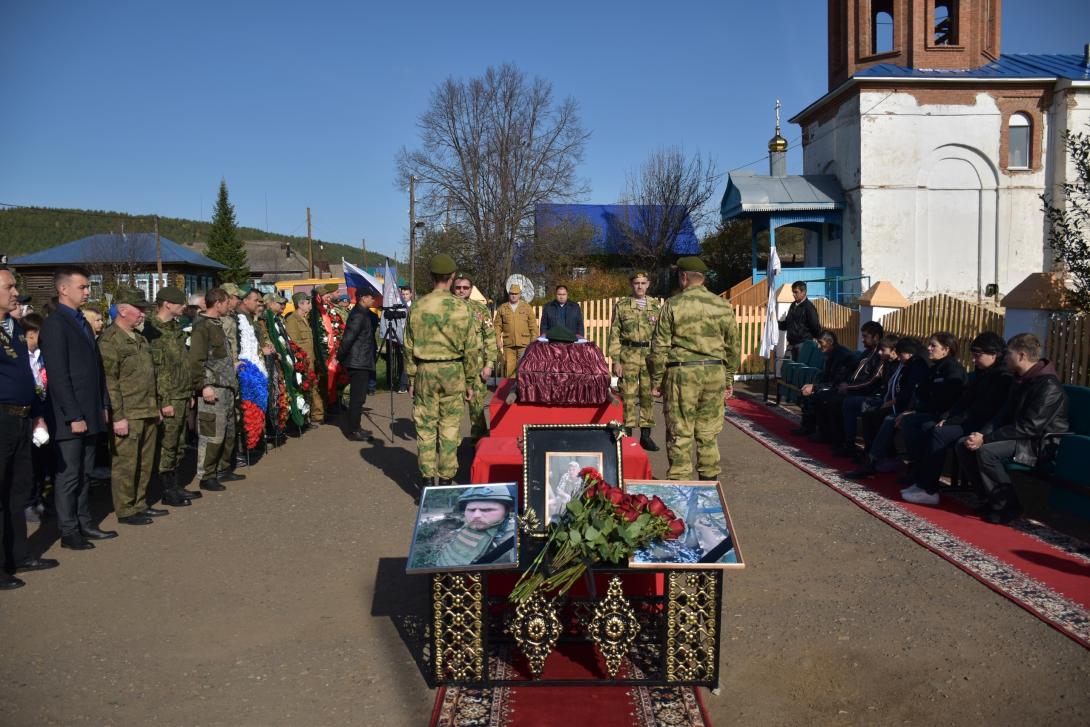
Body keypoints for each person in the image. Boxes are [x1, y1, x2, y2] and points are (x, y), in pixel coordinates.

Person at [39, 267, 116, 550]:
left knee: (86, 473)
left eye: (87, 287)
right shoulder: (56, 323)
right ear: (63, 289)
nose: (87, 292)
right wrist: (74, 415)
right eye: (82, 287)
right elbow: (58, 376)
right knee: (69, 476)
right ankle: (68, 530)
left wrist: (104, 404)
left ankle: (85, 522)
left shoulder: (81, 321)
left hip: (91, 411)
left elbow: (96, 370)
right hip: (70, 417)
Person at [957, 333, 1069, 524]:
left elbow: (1030, 427)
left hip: (1040, 442)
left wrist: (986, 440)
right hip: (1020, 435)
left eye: (1008, 354)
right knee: (964, 444)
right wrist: (981, 433)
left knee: (986, 452)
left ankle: (1009, 507)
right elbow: (1004, 414)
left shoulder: (1048, 385)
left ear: (1022, 356)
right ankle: (988, 498)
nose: (1005, 357)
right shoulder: (1021, 379)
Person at [650, 256, 739, 481]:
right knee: (708, 433)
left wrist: (657, 380)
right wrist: (728, 379)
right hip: (714, 372)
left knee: (680, 431)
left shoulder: (673, 304)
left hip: (683, 374)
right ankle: (709, 485)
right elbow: (733, 347)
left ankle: (680, 486)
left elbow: (659, 346)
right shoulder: (722, 305)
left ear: (684, 277)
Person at [901, 332, 1014, 506]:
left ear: (994, 355)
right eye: (973, 356)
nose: (974, 360)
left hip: (985, 425)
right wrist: (948, 417)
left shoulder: (1002, 378)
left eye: (978, 356)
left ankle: (929, 489)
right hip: (969, 419)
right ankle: (921, 480)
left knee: (939, 433)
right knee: (928, 427)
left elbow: (983, 409)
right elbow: (964, 401)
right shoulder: (981, 373)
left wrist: (952, 421)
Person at [0, 265, 59, 589]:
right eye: (9, 287)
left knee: (17, 492)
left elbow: (28, 374)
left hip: (23, 417)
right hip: (1, 418)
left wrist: (37, 413)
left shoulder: (16, 326)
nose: (15, 293)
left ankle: (18, 555)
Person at [404, 254, 480, 491]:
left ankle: (427, 481)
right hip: (454, 370)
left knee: (425, 427)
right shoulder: (462, 307)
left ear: (431, 277)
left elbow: (408, 345)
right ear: (453, 277)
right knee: (449, 427)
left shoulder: (417, 306)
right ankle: (446, 481)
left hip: (426, 370)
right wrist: (469, 381)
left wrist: (412, 377)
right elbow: (471, 348)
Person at [99, 287, 168, 525]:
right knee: (126, 464)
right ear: (123, 310)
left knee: (146, 462)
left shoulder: (140, 339)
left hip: (147, 409)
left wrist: (157, 406)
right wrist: (118, 416)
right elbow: (110, 382)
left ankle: (140, 503)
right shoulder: (109, 340)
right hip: (128, 412)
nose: (143, 314)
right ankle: (125, 509)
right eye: (139, 309)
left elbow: (151, 377)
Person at [143, 286, 200, 506]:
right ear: (167, 304)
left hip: (182, 394)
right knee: (167, 445)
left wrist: (189, 392)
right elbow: (157, 370)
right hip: (168, 398)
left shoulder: (175, 329)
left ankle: (175, 485)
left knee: (180, 443)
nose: (184, 307)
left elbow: (181, 363)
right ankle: (166, 490)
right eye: (180, 303)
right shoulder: (151, 330)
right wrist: (164, 401)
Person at [847, 337, 929, 478]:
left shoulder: (918, 365)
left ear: (909, 353)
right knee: (869, 415)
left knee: (887, 419)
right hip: (898, 404)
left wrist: (897, 405)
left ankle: (873, 461)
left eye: (900, 353)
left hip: (911, 409)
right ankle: (874, 455)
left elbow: (912, 392)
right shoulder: (907, 364)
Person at [890, 331, 967, 475]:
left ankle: (923, 472)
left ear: (946, 349)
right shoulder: (935, 368)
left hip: (946, 416)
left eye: (933, 346)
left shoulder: (953, 369)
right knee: (905, 420)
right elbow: (922, 393)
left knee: (921, 425)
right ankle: (913, 465)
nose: (929, 348)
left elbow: (947, 400)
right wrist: (914, 410)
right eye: (929, 345)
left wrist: (918, 411)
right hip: (932, 412)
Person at [187, 288, 238, 492]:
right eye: (226, 302)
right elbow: (196, 360)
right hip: (213, 388)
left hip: (226, 385)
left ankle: (222, 469)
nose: (229, 306)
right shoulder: (202, 327)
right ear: (217, 303)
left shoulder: (216, 324)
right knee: (212, 434)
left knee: (227, 432)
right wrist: (203, 385)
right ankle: (207, 475)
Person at [607, 271, 663, 451]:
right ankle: (628, 435)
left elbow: (661, 335)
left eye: (643, 283)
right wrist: (615, 360)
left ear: (648, 284)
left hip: (649, 355)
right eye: (636, 283)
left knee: (648, 395)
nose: (640, 286)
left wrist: (660, 360)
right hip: (628, 354)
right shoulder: (622, 305)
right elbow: (614, 334)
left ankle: (646, 436)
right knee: (628, 395)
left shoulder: (656, 306)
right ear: (632, 284)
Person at [815, 321, 886, 448]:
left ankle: (847, 442)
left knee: (839, 401)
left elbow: (872, 380)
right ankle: (829, 436)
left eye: (865, 336)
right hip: (853, 389)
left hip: (866, 392)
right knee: (824, 396)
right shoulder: (865, 353)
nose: (862, 340)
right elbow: (853, 373)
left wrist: (849, 387)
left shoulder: (880, 356)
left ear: (875, 337)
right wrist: (845, 383)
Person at [833, 333, 898, 457]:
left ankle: (871, 452)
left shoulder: (899, 366)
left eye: (883, 350)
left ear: (894, 351)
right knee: (847, 402)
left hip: (888, 401)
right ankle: (848, 443)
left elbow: (873, 381)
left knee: (867, 409)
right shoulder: (883, 361)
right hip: (879, 397)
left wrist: (849, 387)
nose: (880, 353)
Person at [790, 330, 857, 439]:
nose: (818, 346)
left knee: (820, 396)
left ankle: (824, 433)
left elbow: (837, 381)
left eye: (820, 342)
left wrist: (815, 387)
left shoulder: (842, 356)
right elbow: (826, 376)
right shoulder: (831, 354)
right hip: (834, 384)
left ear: (830, 342)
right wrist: (813, 385)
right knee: (807, 392)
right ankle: (808, 427)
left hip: (844, 388)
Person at [452, 275, 496, 440]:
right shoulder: (447, 310)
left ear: (471, 289)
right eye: (458, 287)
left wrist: (489, 364)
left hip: (476, 366)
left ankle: (479, 443)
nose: (462, 290)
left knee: (476, 408)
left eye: (465, 287)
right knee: (452, 409)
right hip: (453, 366)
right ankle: (451, 444)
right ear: (453, 288)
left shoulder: (481, 309)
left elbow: (490, 337)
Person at [435, 486, 517, 567]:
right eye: (471, 510)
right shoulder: (468, 525)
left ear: (506, 511)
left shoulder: (515, 539)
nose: (476, 515)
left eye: (486, 510)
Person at [336, 288, 377, 442]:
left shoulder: (363, 313)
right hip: (358, 361)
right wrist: (339, 357)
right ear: (362, 298)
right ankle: (353, 431)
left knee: (359, 398)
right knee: (357, 398)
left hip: (362, 360)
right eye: (371, 297)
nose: (373, 300)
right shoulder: (359, 315)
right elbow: (348, 338)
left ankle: (357, 427)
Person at [284, 292, 324, 426]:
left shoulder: (304, 318)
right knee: (309, 387)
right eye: (307, 303)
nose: (310, 306)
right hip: (304, 361)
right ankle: (315, 416)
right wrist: (303, 360)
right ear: (300, 304)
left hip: (311, 360)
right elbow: (294, 343)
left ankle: (315, 415)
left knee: (313, 386)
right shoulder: (293, 320)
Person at [493, 283, 537, 378]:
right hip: (509, 344)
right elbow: (497, 326)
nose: (513, 296)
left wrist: (534, 341)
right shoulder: (502, 308)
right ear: (509, 294)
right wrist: (497, 339)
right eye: (511, 293)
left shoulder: (527, 308)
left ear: (520, 294)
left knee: (524, 367)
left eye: (516, 294)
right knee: (509, 368)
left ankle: (522, 389)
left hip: (524, 343)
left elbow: (533, 325)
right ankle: (510, 389)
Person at [777, 281, 822, 361]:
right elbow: (787, 324)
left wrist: (814, 339)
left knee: (800, 370)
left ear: (803, 292)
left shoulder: (809, 308)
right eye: (793, 292)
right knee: (786, 369)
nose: (793, 294)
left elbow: (815, 326)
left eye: (796, 292)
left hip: (804, 345)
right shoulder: (793, 305)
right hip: (791, 344)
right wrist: (775, 324)